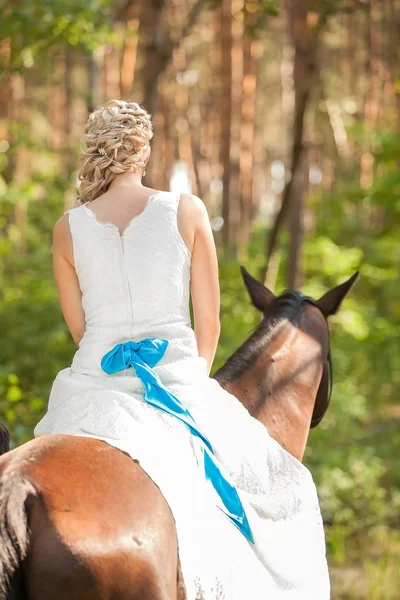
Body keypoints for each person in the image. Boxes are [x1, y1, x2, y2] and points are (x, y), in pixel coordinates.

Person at [34, 99, 330, 599]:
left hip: (91, 385)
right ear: (142, 151)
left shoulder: (67, 228)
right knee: (284, 489)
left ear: (95, 150)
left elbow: (82, 333)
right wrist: (191, 383)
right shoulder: (186, 209)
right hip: (177, 377)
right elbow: (208, 321)